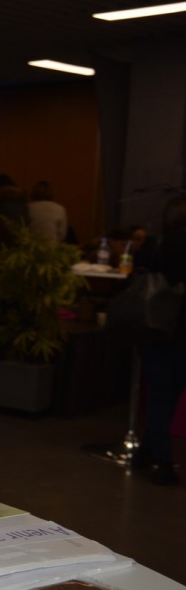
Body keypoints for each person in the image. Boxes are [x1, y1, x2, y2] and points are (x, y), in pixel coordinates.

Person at [133, 195, 186, 485]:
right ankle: (160, 458)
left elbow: (138, 274)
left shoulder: (157, 244)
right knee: (171, 395)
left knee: (157, 396)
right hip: (181, 335)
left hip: (153, 330)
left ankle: (151, 453)